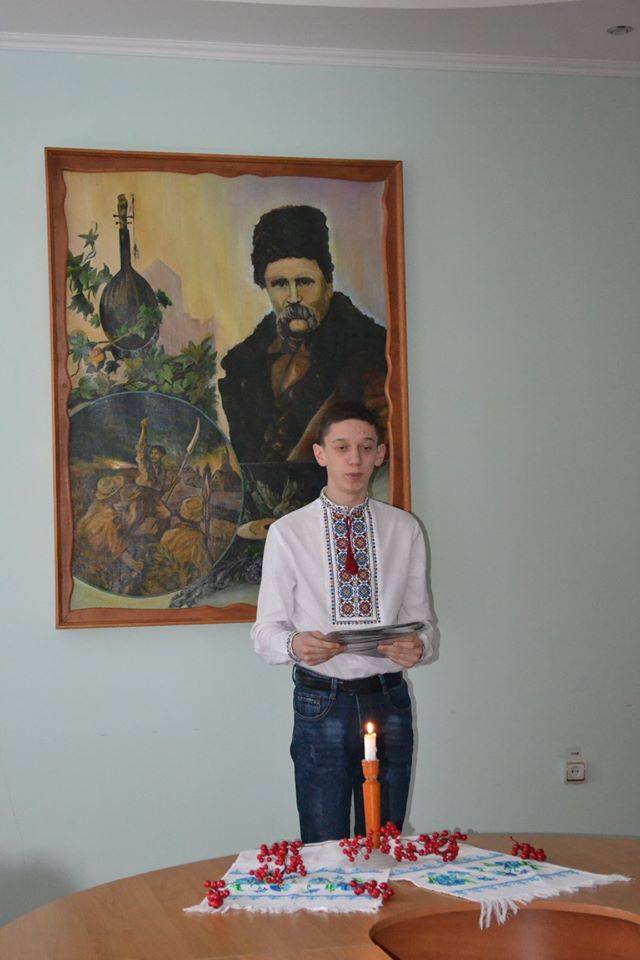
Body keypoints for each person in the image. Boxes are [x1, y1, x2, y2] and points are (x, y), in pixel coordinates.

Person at [251, 401, 435, 843]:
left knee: (385, 843)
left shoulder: (404, 529)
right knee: (324, 846)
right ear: (320, 454)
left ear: (380, 454)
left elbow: (424, 625)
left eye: (366, 447)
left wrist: (421, 646)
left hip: (388, 700)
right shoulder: (288, 532)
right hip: (321, 702)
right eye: (342, 447)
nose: (355, 459)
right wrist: (296, 645)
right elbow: (265, 632)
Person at [219, 206, 388, 464]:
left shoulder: (372, 351)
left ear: (328, 283)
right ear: (265, 287)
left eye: (304, 282)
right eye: (280, 284)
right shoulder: (243, 365)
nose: (293, 298)